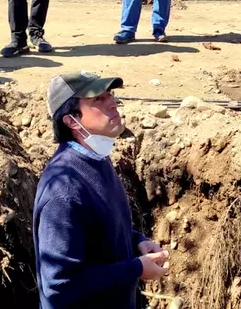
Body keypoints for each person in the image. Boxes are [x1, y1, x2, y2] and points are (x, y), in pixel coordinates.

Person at [34, 71, 170, 307]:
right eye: (98, 99)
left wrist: (135, 241)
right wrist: (136, 268)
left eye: (110, 95)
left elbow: (100, 232)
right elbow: (59, 284)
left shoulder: (97, 160)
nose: (113, 104)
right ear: (71, 120)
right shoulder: (64, 190)